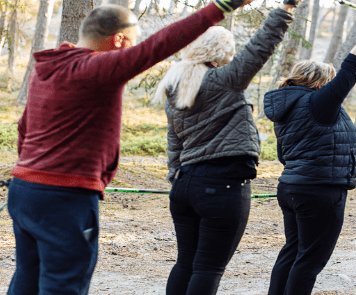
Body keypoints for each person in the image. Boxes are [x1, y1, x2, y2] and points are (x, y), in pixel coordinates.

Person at [6, 0, 242, 293]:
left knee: (27, 278)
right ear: (119, 40)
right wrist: (222, 6)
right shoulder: (96, 68)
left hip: (25, 189)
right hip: (64, 198)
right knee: (62, 285)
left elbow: (23, 128)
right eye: (132, 43)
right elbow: (158, 45)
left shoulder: (47, 68)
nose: (134, 49)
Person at [151, 0, 297, 293]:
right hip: (223, 186)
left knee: (186, 263)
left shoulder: (175, 85)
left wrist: (175, 177)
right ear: (220, 54)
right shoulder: (225, 80)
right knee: (208, 267)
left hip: (184, 186)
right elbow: (260, 47)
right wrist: (287, 8)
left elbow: (173, 140)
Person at [262, 9, 356, 295]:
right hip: (319, 191)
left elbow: (284, 154)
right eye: (329, 82)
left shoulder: (285, 106)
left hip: (291, 186)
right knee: (309, 260)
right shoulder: (318, 103)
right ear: (320, 84)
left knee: (293, 251)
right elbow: (353, 66)